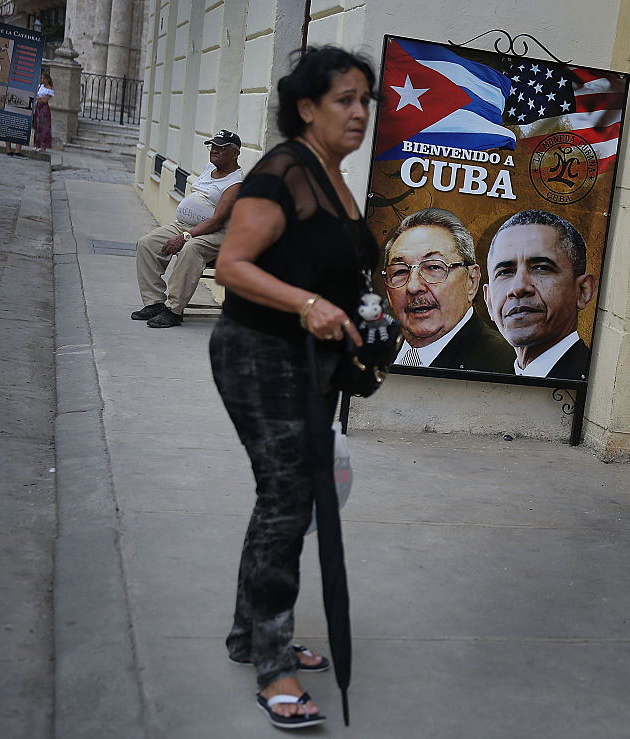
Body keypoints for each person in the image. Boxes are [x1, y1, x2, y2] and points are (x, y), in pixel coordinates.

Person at [209, 46, 377, 729]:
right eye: (345, 99)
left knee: (283, 498)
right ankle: (272, 665)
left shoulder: (332, 176)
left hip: (306, 365)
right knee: (287, 498)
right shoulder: (281, 172)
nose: (360, 112)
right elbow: (231, 265)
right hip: (258, 354)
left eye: (366, 100)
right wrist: (310, 305)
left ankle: (251, 632)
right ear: (306, 108)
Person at [132, 130, 243, 328]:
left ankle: (174, 310)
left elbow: (217, 222)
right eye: (213, 146)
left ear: (235, 153)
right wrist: (185, 230)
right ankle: (154, 303)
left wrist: (185, 236)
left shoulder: (235, 183)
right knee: (147, 244)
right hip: (185, 225)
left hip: (217, 234)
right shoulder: (211, 167)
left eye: (222, 148)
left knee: (191, 249)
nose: (215, 151)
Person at [384, 207, 513, 373]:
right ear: (387, 288)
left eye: (434, 267)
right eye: (400, 271)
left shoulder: (508, 364)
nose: (413, 286)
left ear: (472, 281)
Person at [483, 209, 598, 380]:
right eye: (505, 272)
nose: (519, 287)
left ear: (583, 291)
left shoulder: (599, 382)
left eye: (541, 268)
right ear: (489, 301)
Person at [32, 72, 53, 152]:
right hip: (38, 107)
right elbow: (36, 96)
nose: (43, 80)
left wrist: (39, 98)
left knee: (43, 127)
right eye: (42, 78)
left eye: (44, 78)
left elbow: (45, 100)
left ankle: (43, 146)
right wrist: (40, 98)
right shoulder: (40, 86)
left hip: (44, 109)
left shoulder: (49, 88)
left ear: (48, 79)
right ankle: (36, 144)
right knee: (37, 126)